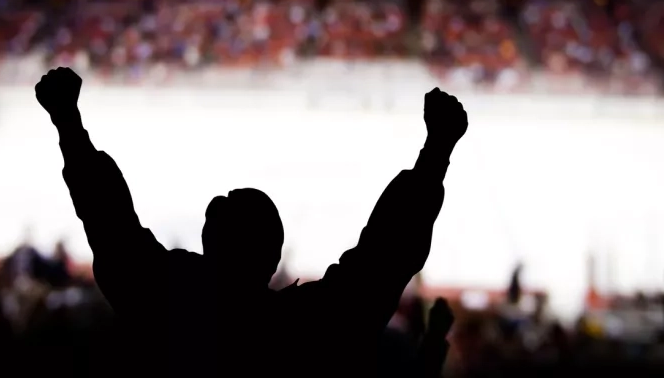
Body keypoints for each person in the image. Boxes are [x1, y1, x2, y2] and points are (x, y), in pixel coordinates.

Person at [34, 67, 468, 378]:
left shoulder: (160, 303)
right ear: (275, 257)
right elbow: (379, 266)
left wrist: (69, 124)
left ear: (207, 242)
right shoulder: (302, 332)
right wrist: (435, 154)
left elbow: (110, 225)